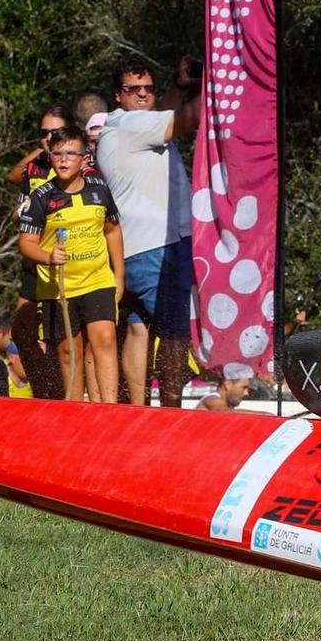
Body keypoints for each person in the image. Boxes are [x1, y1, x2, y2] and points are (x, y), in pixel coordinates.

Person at [97, 55, 200, 407]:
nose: (142, 95)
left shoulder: (124, 124)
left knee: (140, 330)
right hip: (160, 246)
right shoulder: (131, 124)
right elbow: (189, 118)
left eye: (148, 89)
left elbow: (164, 116)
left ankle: (139, 412)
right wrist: (225, 79)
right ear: (117, 94)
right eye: (133, 89)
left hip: (135, 247)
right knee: (174, 333)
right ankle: (171, 413)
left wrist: (179, 87)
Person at [20, 127, 125, 403]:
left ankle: (110, 407)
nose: (64, 160)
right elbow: (26, 243)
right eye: (58, 154)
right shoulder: (41, 197)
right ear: (50, 157)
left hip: (98, 279)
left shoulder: (99, 189)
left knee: (104, 339)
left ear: (84, 158)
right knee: (69, 351)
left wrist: (119, 276)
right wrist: (47, 256)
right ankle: (75, 409)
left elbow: (112, 230)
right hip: (59, 287)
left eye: (71, 153)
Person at [3, 104, 76, 400]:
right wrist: (21, 213)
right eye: (42, 133)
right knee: (21, 333)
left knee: (60, 338)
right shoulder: (34, 169)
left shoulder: (77, 165)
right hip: (34, 261)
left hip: (66, 263)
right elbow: (15, 196)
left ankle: (64, 399)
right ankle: (47, 394)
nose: (47, 139)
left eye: (54, 133)